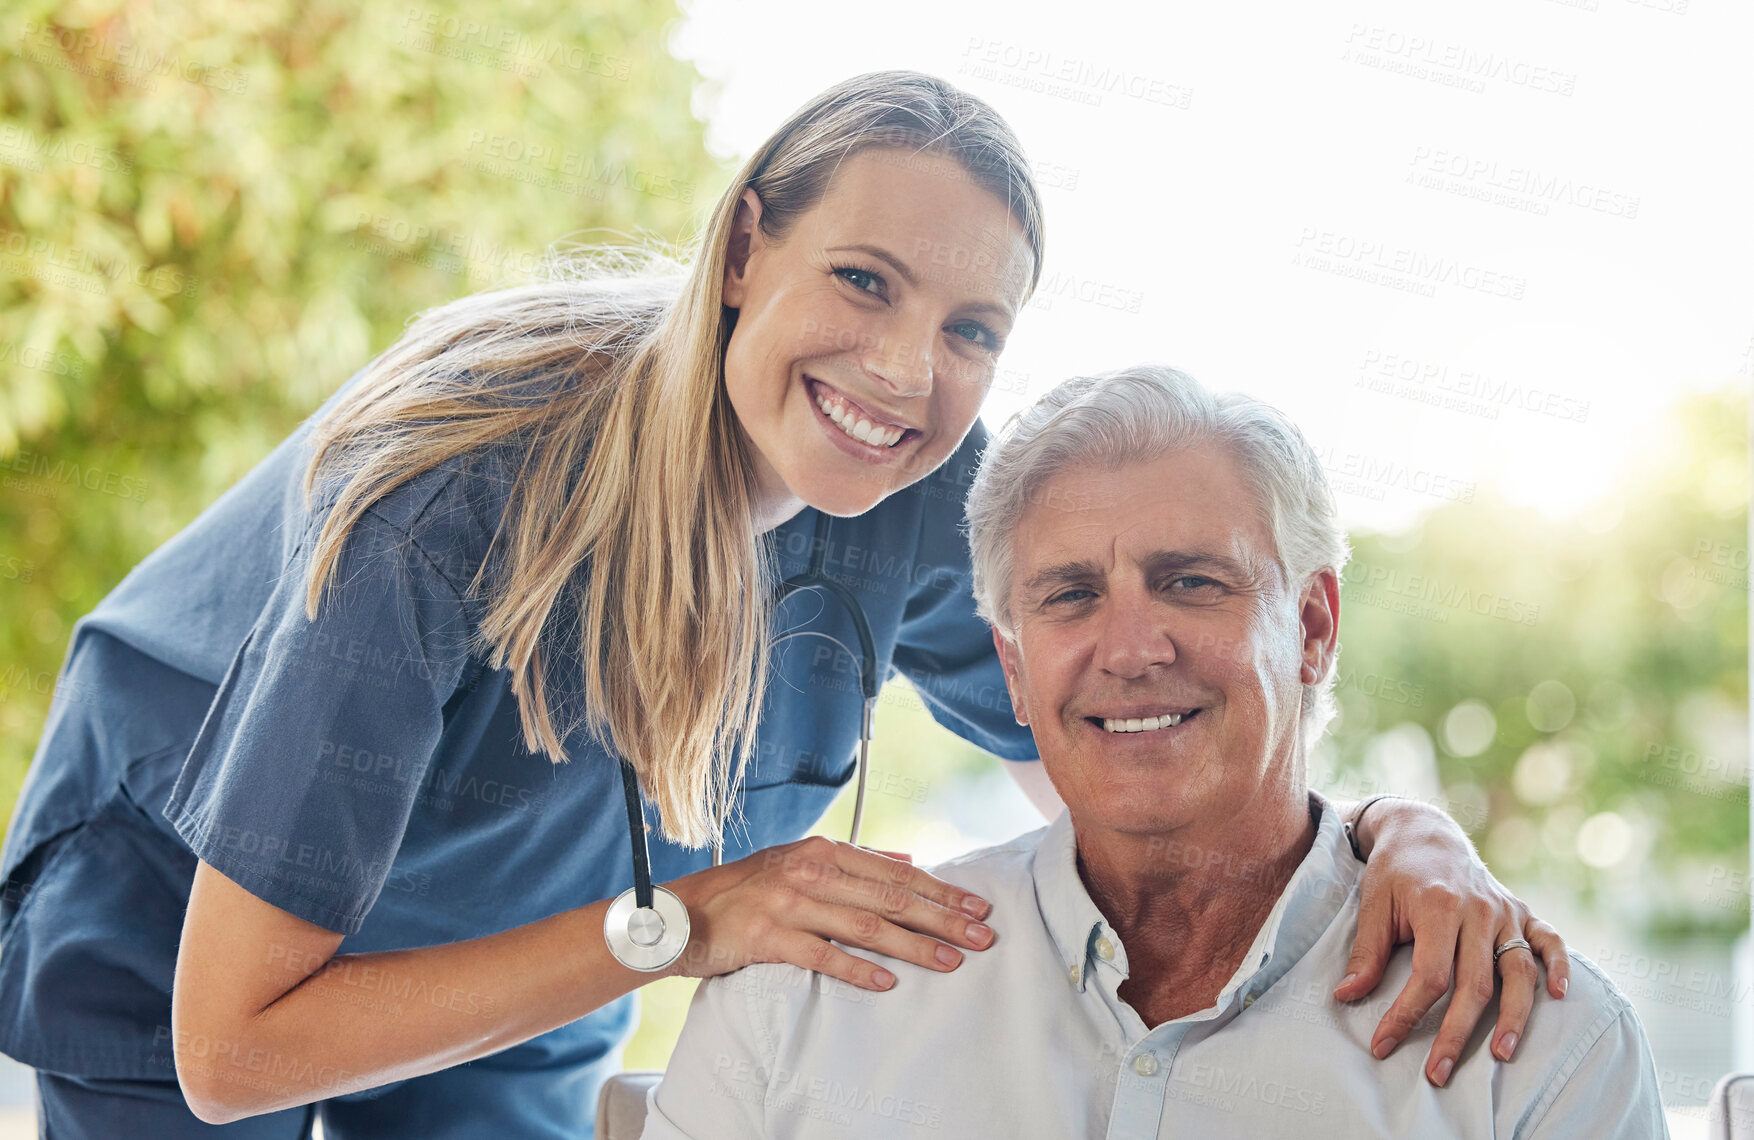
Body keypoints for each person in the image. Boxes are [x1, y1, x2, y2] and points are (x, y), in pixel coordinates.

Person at [0, 74, 1566, 1138]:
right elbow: (230, 1051)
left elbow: (1152, 768)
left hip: (549, 934)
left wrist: (1396, 841)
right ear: (746, 243)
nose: (905, 374)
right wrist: (694, 920)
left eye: (970, 328)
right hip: (188, 932)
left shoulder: (918, 506)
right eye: (864, 283)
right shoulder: (452, 505)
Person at [640, 364, 1667, 1140]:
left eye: (1189, 583)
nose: (1131, 650)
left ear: (1311, 627)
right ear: (1010, 666)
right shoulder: (801, 1003)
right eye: (1069, 595)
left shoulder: (1536, 1048)